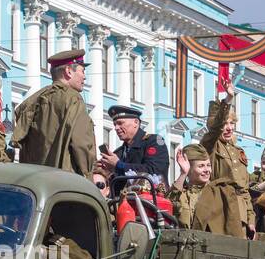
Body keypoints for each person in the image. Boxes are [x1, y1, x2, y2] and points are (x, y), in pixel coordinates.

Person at [173, 96, 253, 238]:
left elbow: (244, 189)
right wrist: (227, 101)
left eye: (231, 123)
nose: (228, 128)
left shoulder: (238, 151)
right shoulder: (211, 146)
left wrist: (250, 219)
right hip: (222, 206)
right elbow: (215, 129)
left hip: (240, 211)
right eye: (224, 124)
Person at [10, 49, 95, 178]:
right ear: (68, 71)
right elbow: (81, 143)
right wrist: (88, 174)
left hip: (35, 178)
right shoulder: (73, 99)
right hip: (65, 179)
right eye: (82, 71)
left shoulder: (34, 100)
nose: (84, 77)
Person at [98, 104, 168, 183]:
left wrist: (119, 165)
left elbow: (155, 170)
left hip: (150, 194)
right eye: (115, 124)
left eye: (120, 123)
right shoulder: (118, 153)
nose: (116, 128)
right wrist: (107, 171)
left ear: (136, 122)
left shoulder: (155, 140)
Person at [171, 144, 214, 229]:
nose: (207, 170)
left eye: (208, 165)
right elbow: (170, 203)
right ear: (189, 169)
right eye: (201, 166)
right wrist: (183, 173)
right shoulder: (182, 193)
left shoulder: (216, 192)